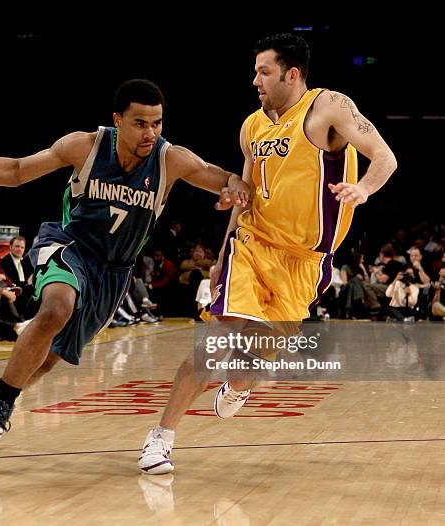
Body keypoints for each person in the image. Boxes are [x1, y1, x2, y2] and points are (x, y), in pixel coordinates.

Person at [0, 79, 248, 454]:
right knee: (57, 308)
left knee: (47, 362)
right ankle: (0, 409)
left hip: (113, 272)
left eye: (157, 123)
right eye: (140, 123)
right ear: (118, 119)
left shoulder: (170, 159)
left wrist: (234, 188)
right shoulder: (85, 145)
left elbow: (224, 177)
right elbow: (17, 171)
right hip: (70, 246)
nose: (151, 132)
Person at [138, 33, 397, 474]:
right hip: (254, 244)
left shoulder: (327, 107)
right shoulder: (251, 127)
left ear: (291, 74)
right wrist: (223, 256)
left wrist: (363, 188)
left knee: (249, 364)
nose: (255, 79)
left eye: (264, 72)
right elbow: (245, 196)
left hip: (305, 261)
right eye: (255, 71)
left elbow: (385, 158)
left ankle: (239, 387)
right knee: (216, 341)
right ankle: (160, 439)